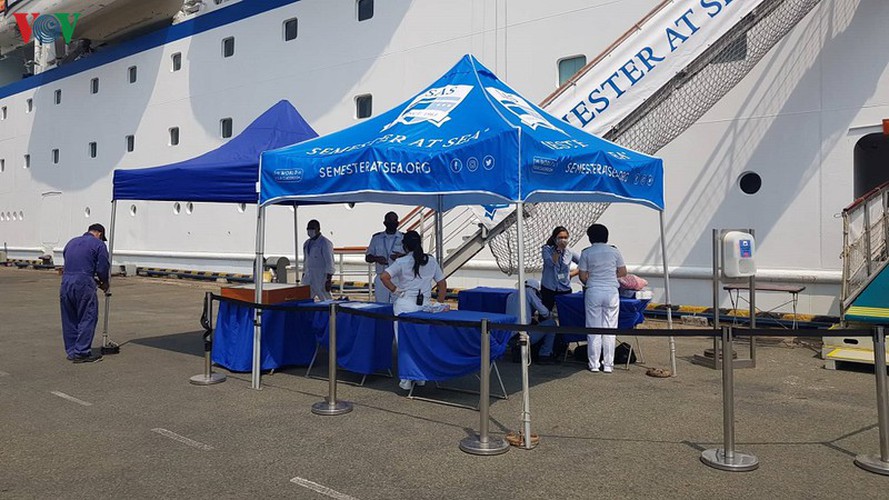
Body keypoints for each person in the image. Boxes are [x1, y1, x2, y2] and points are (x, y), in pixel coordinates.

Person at [380, 230, 447, 390]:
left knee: (404, 343)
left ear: (405, 246)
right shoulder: (431, 261)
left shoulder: (402, 262)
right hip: (424, 306)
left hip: (405, 305)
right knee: (421, 341)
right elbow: (442, 284)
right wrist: (439, 303)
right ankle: (420, 376)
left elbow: (384, 276)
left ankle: (406, 378)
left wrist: (395, 290)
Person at [577, 223, 626, 373]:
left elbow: (582, 276)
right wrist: (610, 277)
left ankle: (594, 364)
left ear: (590, 238)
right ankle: (608, 364)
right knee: (610, 328)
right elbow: (623, 271)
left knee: (593, 328)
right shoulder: (614, 251)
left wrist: (592, 280)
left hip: (594, 290)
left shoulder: (586, 252)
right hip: (611, 290)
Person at [60, 223, 110, 363]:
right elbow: (102, 267)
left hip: (66, 282)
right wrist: (104, 283)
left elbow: (72, 263)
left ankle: (71, 351)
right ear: (99, 234)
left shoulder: (71, 242)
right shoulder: (98, 245)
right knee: (88, 316)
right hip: (83, 283)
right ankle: (82, 352)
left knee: (69, 317)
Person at [505, 278, 556, 364]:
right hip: (522, 335)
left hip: (510, 337)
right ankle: (545, 355)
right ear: (534, 289)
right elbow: (544, 312)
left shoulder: (511, 295)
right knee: (551, 323)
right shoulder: (529, 292)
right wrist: (550, 314)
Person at [365, 211, 404, 303]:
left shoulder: (403, 238)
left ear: (398, 223)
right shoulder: (376, 238)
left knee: (398, 305)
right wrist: (376, 258)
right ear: (384, 223)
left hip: (398, 278)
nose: (391, 223)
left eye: (394, 221)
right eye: (389, 221)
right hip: (381, 276)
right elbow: (368, 257)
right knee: (380, 305)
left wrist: (400, 257)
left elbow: (411, 257)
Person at [540, 226, 579, 311]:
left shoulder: (569, 252)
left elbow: (583, 263)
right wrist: (558, 250)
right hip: (549, 287)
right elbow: (550, 263)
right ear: (554, 239)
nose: (563, 240)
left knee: (565, 312)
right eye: (560, 238)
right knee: (545, 311)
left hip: (564, 288)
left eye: (565, 238)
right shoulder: (547, 249)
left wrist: (571, 274)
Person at [302, 219, 335, 301]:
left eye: (312, 228)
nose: (310, 231)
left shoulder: (325, 243)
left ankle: (331, 313)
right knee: (305, 298)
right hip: (309, 276)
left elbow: (329, 262)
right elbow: (305, 260)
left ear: (318, 229)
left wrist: (328, 279)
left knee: (325, 299)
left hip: (321, 277)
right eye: (308, 228)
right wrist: (303, 274)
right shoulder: (306, 243)